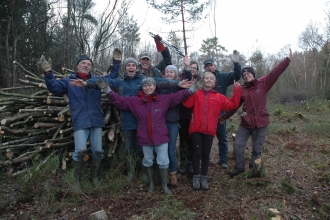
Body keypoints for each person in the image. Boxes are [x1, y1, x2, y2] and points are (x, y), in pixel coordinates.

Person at [69, 57, 192, 182]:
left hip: (142, 119)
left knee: (142, 147)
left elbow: (160, 81)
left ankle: (144, 172)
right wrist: (86, 83)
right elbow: (105, 82)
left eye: (133, 65)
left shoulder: (142, 80)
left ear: (136, 67)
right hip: (127, 119)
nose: (131, 67)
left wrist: (177, 84)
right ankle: (131, 172)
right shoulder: (120, 82)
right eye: (129, 65)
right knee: (128, 148)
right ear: (126, 68)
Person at [96, 77, 198, 195]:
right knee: (148, 160)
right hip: (144, 137)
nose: (148, 88)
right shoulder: (135, 101)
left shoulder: (163, 99)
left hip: (161, 136)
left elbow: (178, 96)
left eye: (150, 85)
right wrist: (107, 90)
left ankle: (164, 186)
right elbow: (119, 101)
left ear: (155, 87)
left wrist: (193, 88)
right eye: (145, 86)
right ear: (142, 87)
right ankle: (151, 184)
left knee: (163, 161)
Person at [38, 50, 121, 191]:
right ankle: (76, 180)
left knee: (98, 151)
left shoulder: (95, 80)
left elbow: (112, 78)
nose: (86, 65)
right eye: (83, 63)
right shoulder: (69, 81)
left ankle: (95, 177)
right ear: (78, 66)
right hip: (80, 119)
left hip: (95, 118)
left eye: (89, 64)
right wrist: (48, 73)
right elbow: (54, 88)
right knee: (81, 150)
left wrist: (117, 62)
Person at [219, 49, 292, 177]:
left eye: (248, 74)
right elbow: (234, 106)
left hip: (261, 123)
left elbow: (275, 73)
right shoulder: (242, 89)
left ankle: (254, 170)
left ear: (253, 74)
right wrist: (224, 117)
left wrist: (286, 60)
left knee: (257, 150)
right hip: (245, 124)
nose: (246, 76)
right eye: (244, 75)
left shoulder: (263, 83)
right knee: (238, 145)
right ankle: (239, 167)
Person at [182, 72, 242, 190]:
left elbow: (233, 104)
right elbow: (186, 104)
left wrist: (237, 90)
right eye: (206, 78)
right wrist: (192, 89)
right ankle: (196, 177)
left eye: (211, 79)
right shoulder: (197, 93)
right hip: (196, 128)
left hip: (209, 129)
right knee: (196, 153)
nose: (209, 80)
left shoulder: (218, 97)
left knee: (205, 154)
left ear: (214, 82)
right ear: (203, 80)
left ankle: (204, 177)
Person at [156, 56, 192, 186]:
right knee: (159, 149)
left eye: (172, 72)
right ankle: (161, 173)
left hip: (172, 122)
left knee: (171, 149)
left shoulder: (179, 86)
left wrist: (187, 67)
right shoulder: (160, 85)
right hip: (159, 122)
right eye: (167, 72)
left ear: (176, 74)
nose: (169, 73)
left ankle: (173, 174)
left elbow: (188, 80)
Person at [203, 51, 241, 169]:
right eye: (207, 66)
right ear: (205, 68)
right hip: (206, 114)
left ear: (215, 66)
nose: (209, 67)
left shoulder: (223, 76)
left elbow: (236, 76)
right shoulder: (202, 79)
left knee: (222, 137)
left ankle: (223, 160)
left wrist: (236, 63)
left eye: (211, 65)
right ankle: (204, 159)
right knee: (205, 137)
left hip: (220, 114)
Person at [178, 60, 202, 175]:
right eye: (191, 67)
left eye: (195, 68)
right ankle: (183, 162)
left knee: (194, 141)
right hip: (183, 115)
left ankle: (192, 163)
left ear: (197, 70)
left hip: (196, 116)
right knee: (183, 141)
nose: (193, 69)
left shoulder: (200, 81)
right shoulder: (182, 79)